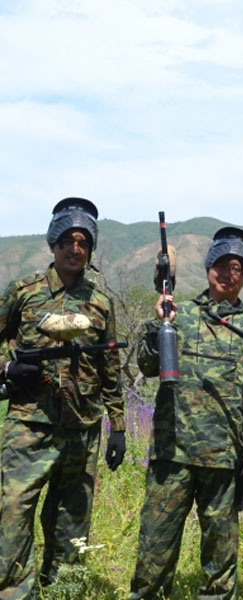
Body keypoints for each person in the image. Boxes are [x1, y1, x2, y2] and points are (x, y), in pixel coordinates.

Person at [130, 227, 243, 600]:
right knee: (155, 546)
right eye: (221, 265)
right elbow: (147, 365)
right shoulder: (180, 313)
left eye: (237, 267)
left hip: (223, 457)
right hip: (171, 453)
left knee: (221, 551)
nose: (228, 273)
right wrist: (157, 322)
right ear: (208, 268)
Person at [0, 197, 126, 599]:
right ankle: (15, 592)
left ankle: (63, 591)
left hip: (81, 429)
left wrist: (118, 426)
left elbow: (110, 369)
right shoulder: (24, 292)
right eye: (68, 241)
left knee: (73, 518)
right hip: (29, 425)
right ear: (53, 244)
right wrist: (8, 368)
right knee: (13, 510)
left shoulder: (101, 303)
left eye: (84, 243)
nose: (76, 249)